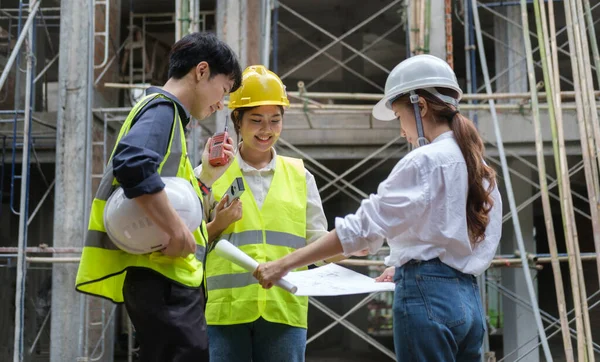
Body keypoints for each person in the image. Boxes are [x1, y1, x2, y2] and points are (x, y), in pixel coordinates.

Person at [253, 54, 503, 362]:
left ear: (419, 106)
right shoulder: (479, 166)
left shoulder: (423, 161)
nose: (401, 131)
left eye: (399, 117)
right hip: (469, 302)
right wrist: (404, 265)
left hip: (427, 300)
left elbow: (361, 229)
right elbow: (465, 241)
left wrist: (284, 264)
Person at [75, 32, 242, 362]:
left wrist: (205, 175)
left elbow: (171, 193)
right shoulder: (163, 110)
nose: (220, 103)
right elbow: (132, 164)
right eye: (223, 90)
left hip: (160, 274)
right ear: (201, 71)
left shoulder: (166, 117)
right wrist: (177, 230)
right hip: (162, 275)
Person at [193, 65, 331, 362]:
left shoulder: (300, 176)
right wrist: (218, 224)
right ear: (237, 121)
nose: (266, 130)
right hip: (227, 312)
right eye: (256, 120)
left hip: (285, 309)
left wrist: (352, 245)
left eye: (274, 120)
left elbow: (319, 243)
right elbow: (188, 243)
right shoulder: (209, 174)